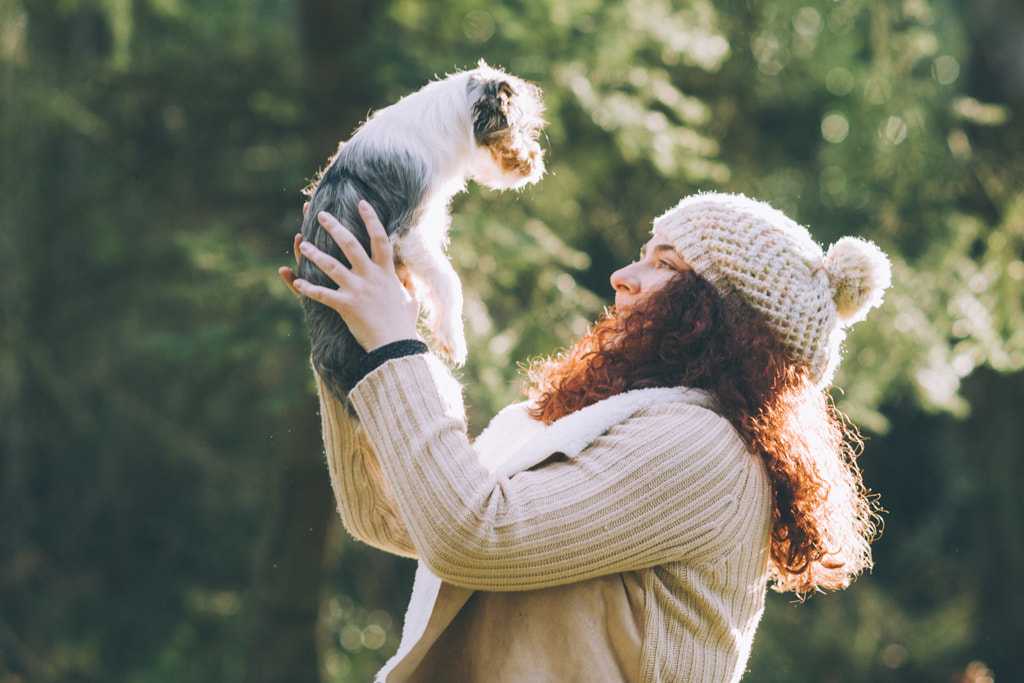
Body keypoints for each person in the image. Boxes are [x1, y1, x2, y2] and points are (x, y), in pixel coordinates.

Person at [279, 191, 892, 682]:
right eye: (643, 253)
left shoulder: (702, 446)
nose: (623, 275)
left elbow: (473, 535)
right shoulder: (636, 423)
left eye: (666, 263)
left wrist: (395, 344)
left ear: (724, 320)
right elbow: (395, 516)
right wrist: (352, 340)